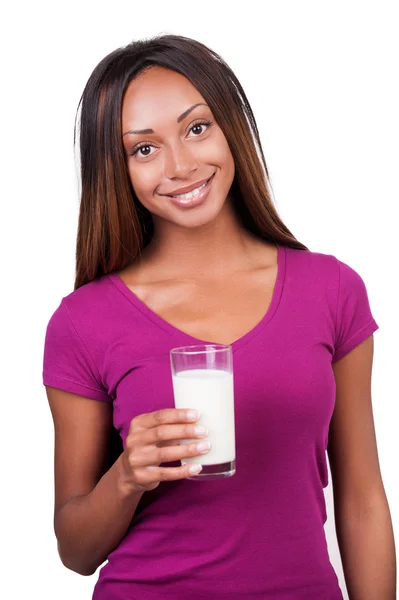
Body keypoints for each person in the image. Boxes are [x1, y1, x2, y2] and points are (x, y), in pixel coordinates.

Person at [42, 34, 396, 600]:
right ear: (118, 169)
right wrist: (127, 475)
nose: (180, 166)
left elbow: (362, 501)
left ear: (232, 126)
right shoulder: (83, 323)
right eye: (144, 148)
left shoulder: (331, 290)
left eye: (196, 128)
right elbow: (76, 551)